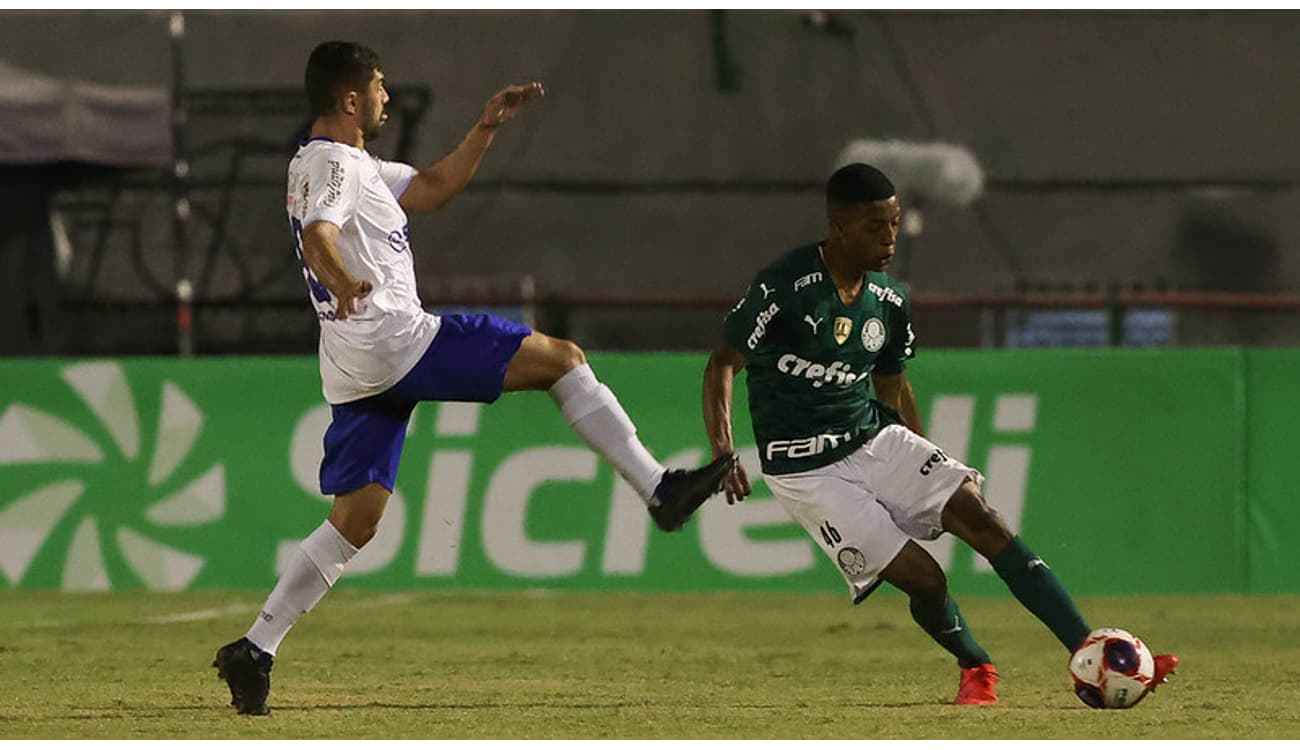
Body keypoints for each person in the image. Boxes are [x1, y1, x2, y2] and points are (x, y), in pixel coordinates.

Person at [212, 41, 735, 716]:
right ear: (350, 100)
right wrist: (345, 282)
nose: (385, 99)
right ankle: (658, 488)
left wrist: (485, 128)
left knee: (356, 521)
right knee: (564, 360)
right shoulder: (336, 163)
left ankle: (255, 648)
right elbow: (320, 235)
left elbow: (432, 187)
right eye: (377, 89)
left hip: (354, 363)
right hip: (394, 338)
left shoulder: (344, 164)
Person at [700, 162, 1178, 707]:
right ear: (839, 229)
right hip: (806, 468)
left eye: (896, 224)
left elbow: (892, 385)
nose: (889, 238)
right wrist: (723, 450)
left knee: (981, 515)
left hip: (871, 437)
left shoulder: (889, 301)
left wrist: (919, 452)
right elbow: (721, 365)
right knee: (925, 580)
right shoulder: (785, 287)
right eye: (876, 226)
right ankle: (976, 665)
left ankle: (1091, 652)